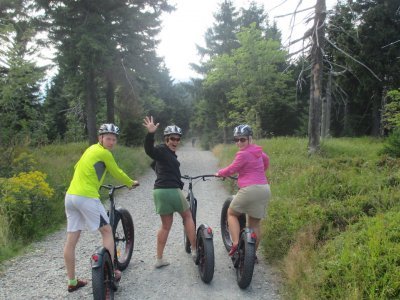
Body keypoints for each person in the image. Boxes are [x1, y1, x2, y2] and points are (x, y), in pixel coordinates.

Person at [63, 123, 139, 292]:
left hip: (70, 197)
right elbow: (116, 171)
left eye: (114, 139)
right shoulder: (104, 153)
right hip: (86, 197)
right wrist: (130, 183)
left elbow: (78, 168)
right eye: (108, 138)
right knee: (106, 231)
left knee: (71, 239)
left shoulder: (90, 149)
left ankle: (72, 281)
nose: (111, 142)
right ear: (101, 138)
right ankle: (113, 272)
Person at [143, 116, 197, 268]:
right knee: (187, 216)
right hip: (171, 190)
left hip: (159, 191)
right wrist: (150, 134)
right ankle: (194, 250)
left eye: (177, 139)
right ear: (166, 139)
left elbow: (156, 166)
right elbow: (149, 150)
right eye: (171, 138)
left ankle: (159, 259)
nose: (174, 141)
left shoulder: (167, 154)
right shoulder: (161, 149)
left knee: (165, 226)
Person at [215, 124, 271, 260]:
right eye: (236, 140)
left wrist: (219, 173)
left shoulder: (243, 153)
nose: (239, 143)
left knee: (231, 213)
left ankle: (235, 244)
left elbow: (232, 168)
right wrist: (258, 172)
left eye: (242, 139)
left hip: (249, 190)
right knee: (254, 224)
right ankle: (251, 256)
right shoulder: (257, 150)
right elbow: (266, 160)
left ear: (250, 138)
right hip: (264, 189)